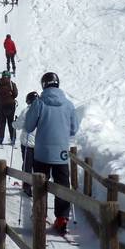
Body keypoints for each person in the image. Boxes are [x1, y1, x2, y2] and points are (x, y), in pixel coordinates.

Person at [24, 72, 79, 234]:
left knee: (40, 183)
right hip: (61, 153)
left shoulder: (39, 103)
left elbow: (29, 127)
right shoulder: (68, 105)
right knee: (62, 185)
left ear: (43, 85)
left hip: (42, 153)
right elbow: (74, 129)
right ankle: (62, 218)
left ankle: (39, 214)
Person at [17, 91, 39, 196]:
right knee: (38, 166)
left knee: (27, 165)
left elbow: (19, 125)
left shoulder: (26, 111)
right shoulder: (43, 109)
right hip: (39, 144)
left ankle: (27, 187)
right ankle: (37, 186)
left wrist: (14, 123)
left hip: (27, 144)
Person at [0, 70, 18, 146]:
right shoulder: (12, 84)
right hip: (11, 105)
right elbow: (15, 94)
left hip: (1, 105)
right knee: (11, 122)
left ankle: (0, 139)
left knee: (2, 121)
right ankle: (13, 138)